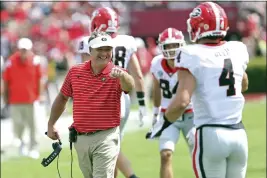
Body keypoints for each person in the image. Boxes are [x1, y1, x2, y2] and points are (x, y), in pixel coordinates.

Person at [148, 2, 249, 178]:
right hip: (239, 134)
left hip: (211, 132)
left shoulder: (191, 54)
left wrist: (163, 123)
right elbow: (244, 84)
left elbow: (182, 101)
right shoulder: (237, 48)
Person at [46, 31, 135, 178]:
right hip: (81, 139)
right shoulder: (75, 72)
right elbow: (62, 98)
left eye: (107, 49)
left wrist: (123, 76)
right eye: (100, 49)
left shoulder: (118, 73)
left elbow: (129, 86)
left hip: (106, 137)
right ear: (90, 50)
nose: (104, 53)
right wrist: (51, 124)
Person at [90, 7, 146, 178]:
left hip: (105, 101)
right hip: (124, 100)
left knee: (106, 147)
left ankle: (132, 176)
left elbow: (87, 74)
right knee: (113, 145)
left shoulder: (92, 42)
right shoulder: (128, 41)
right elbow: (138, 75)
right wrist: (143, 103)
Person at [148, 28, 195, 178]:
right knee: (165, 155)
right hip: (168, 116)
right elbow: (156, 89)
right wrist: (155, 113)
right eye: (167, 46)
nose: (171, 49)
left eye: (174, 45)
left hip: (191, 114)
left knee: (199, 154)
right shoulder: (156, 63)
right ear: (161, 47)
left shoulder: (191, 61)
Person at [2, 38, 43, 159]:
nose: (23, 52)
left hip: (31, 99)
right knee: (18, 125)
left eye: (25, 50)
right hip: (15, 100)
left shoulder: (35, 61)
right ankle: (22, 145)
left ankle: (34, 147)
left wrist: (39, 95)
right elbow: (6, 81)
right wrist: (5, 96)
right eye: (21, 50)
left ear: (30, 50)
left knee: (33, 125)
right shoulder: (10, 62)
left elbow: (40, 79)